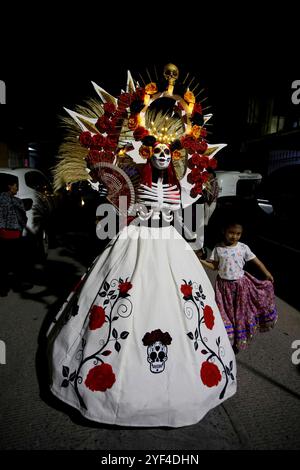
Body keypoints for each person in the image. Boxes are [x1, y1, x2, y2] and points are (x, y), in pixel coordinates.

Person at [47, 65, 237, 428]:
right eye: (157, 150)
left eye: (169, 151)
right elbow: (123, 203)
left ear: (176, 155)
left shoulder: (182, 187)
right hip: (134, 241)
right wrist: (109, 185)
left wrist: (206, 191)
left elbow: (196, 201)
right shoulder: (136, 183)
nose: (163, 155)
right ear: (148, 153)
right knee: (120, 302)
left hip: (168, 245)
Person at [200, 219, 277, 352]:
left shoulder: (243, 248)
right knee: (226, 313)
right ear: (224, 231)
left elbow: (256, 262)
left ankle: (239, 340)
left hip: (241, 287)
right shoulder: (218, 248)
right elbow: (214, 266)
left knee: (239, 314)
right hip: (223, 288)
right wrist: (200, 261)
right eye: (231, 232)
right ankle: (227, 339)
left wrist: (266, 272)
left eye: (238, 233)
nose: (234, 236)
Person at [0, 175, 30, 295]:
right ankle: (16, 286)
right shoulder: (12, 201)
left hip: (6, 234)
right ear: (9, 186)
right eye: (15, 186)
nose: (17, 188)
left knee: (5, 263)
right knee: (16, 263)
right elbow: (23, 218)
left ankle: (4, 288)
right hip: (12, 235)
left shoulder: (3, 199)